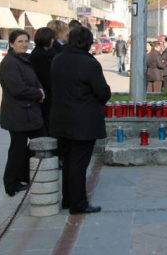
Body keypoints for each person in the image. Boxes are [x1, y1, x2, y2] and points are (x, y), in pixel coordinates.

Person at [51, 26, 111, 214]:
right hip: (83, 121)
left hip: (61, 119)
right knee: (79, 164)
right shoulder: (89, 63)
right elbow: (102, 92)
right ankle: (78, 203)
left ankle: (69, 199)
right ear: (88, 42)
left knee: (69, 161)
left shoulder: (58, 58)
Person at [0, 30, 45, 197]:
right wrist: (38, 94)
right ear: (11, 43)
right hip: (17, 113)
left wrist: (40, 90)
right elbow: (17, 89)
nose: (24, 44)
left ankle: (25, 174)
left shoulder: (24, 59)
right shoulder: (10, 63)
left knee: (41, 141)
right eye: (20, 41)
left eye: (26, 41)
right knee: (17, 149)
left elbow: (34, 81)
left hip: (29, 112)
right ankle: (11, 184)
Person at [30, 27, 56, 135]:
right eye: (52, 38)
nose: (53, 41)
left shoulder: (45, 53)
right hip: (45, 96)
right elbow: (46, 79)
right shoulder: (39, 55)